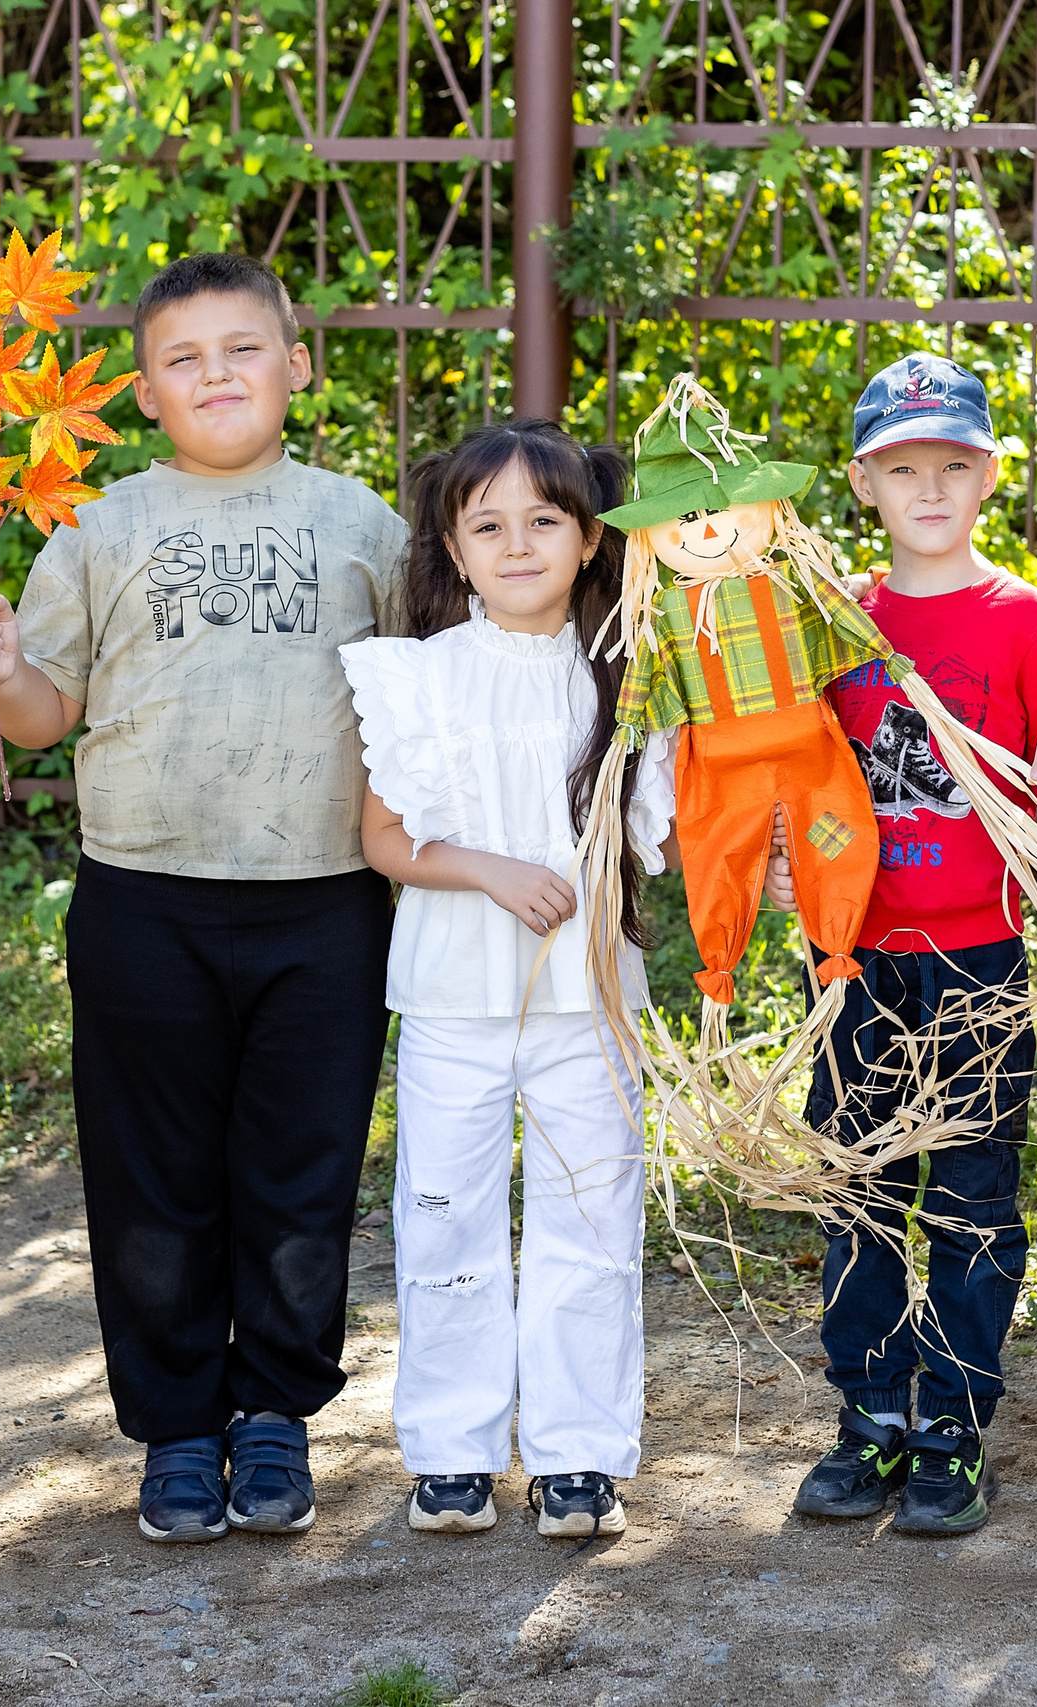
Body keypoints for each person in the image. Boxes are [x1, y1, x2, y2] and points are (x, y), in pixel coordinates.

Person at [0, 252, 406, 1543]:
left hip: (323, 905)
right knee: (153, 1174)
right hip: (144, 898)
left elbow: (425, 711)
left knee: (300, 1168)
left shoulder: (366, 525)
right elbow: (44, 716)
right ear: (144, 392)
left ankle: (273, 1414)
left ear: (296, 366)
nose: (216, 375)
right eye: (183, 359)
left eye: (243, 348)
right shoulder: (99, 530)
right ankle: (176, 1428)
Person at [776, 353, 1037, 1535]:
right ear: (865, 482)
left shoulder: (1020, 619)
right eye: (903, 468)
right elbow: (794, 773)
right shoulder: (832, 618)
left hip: (975, 960)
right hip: (853, 960)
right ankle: (869, 1416)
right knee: (859, 1189)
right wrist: (779, 858)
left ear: (988, 476)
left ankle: (955, 1426)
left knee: (971, 1196)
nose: (929, 487)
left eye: (951, 466)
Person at [339, 420, 678, 1540]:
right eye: (489, 524)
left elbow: (670, 829)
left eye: (545, 521)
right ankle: (451, 1452)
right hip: (451, 998)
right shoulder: (419, 677)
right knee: (445, 1220)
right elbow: (386, 839)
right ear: (454, 542)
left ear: (589, 541)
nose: (517, 543)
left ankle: (579, 1457)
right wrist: (488, 870)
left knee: (592, 1220)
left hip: (590, 1003)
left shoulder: (629, 681)